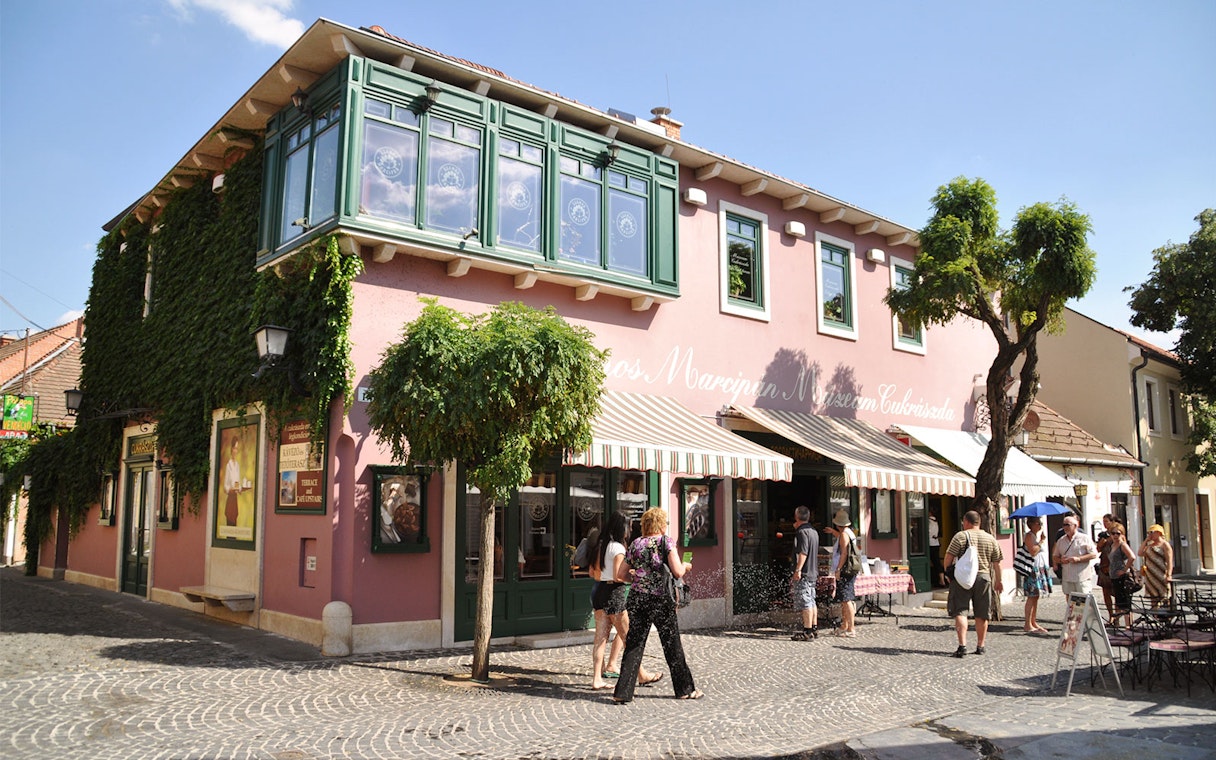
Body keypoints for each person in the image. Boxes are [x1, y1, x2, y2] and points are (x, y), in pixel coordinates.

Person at [612, 507, 701, 703]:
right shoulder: (665, 541)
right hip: (660, 599)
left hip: (637, 598)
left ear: (645, 525)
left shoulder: (635, 544)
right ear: (661, 525)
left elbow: (620, 574)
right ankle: (685, 690)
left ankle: (622, 693)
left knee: (634, 645)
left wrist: (637, 579)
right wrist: (686, 566)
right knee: (671, 644)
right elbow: (677, 572)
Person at [588, 511, 659, 690]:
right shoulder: (618, 548)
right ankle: (642, 675)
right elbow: (619, 576)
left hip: (599, 592)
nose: (629, 530)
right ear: (622, 528)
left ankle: (596, 679)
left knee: (600, 638)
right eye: (628, 526)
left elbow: (592, 573)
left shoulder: (600, 544)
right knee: (630, 638)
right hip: (615, 594)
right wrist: (634, 574)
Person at [944, 509, 1004, 657]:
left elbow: (948, 557)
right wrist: (999, 581)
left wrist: (948, 574)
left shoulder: (961, 536)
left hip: (963, 578)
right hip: (983, 577)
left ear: (966, 521)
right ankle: (980, 645)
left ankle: (962, 645)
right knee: (982, 613)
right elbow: (997, 563)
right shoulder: (990, 538)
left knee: (960, 610)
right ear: (979, 522)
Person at [825, 509, 858, 638]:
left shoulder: (844, 535)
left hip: (845, 570)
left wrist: (838, 569)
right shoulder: (848, 533)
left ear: (838, 524)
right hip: (849, 569)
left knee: (846, 599)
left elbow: (844, 553)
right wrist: (834, 533)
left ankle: (851, 628)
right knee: (844, 599)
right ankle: (844, 625)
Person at [789, 505, 820, 641]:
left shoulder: (802, 532)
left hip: (805, 572)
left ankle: (807, 632)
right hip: (813, 571)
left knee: (806, 601)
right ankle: (813, 628)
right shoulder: (813, 531)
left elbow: (803, 552)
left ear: (796, 516)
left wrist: (798, 570)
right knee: (812, 600)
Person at [1014, 522, 1051, 634]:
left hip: (1039, 568)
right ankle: (1027, 624)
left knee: (1036, 596)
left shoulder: (1035, 536)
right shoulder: (1029, 536)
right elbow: (1033, 551)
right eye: (1038, 523)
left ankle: (1033, 622)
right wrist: (1041, 541)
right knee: (1032, 596)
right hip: (1032, 569)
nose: (1040, 525)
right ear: (1032, 524)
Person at [1052, 514, 1098, 596]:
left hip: (1082, 577)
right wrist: (1060, 560)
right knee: (1070, 598)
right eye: (1064, 525)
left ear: (1075, 526)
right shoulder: (1061, 540)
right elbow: (1055, 556)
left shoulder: (1084, 538)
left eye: (1068, 525)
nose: (1065, 527)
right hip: (1067, 576)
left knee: (1084, 598)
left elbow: (1094, 554)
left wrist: (1079, 559)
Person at [1106, 523, 1137, 627]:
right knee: (1119, 602)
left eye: (1117, 533)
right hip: (1114, 577)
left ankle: (1128, 626)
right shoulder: (1112, 545)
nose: (1115, 535)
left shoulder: (1122, 545)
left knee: (1125, 603)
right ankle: (1118, 623)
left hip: (1122, 577)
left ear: (1122, 534)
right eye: (1113, 533)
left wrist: (1124, 569)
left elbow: (1132, 557)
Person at [1139, 523, 1173, 608]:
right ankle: (1155, 615)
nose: (1150, 534)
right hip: (1150, 575)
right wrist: (1146, 540)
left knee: (1164, 596)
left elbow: (1169, 561)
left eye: (1152, 532)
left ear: (1159, 533)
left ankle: (1166, 616)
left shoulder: (1165, 545)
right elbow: (1140, 553)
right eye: (1149, 533)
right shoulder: (1149, 546)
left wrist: (1169, 574)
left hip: (1161, 573)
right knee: (1153, 596)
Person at [1095, 514, 1116, 621]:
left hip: (1114, 567)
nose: (1104, 524)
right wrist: (1100, 544)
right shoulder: (1103, 535)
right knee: (1106, 593)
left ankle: (1117, 617)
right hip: (1104, 566)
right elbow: (1097, 550)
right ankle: (1111, 616)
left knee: (1117, 593)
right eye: (1103, 521)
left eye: (1106, 521)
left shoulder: (1117, 533)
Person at [928, 510, 945, 588]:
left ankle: (940, 580)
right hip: (936, 543)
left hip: (930, 544)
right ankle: (942, 579)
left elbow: (928, 532)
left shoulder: (928, 521)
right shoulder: (936, 522)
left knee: (931, 562)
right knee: (937, 562)